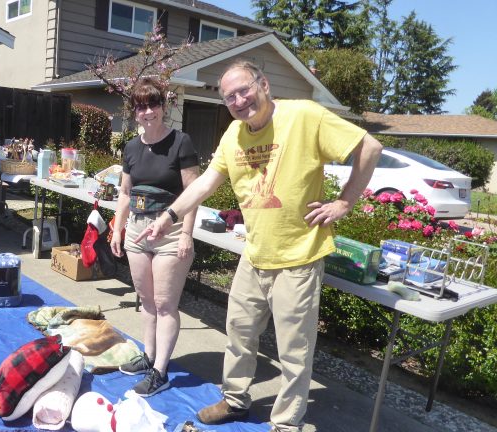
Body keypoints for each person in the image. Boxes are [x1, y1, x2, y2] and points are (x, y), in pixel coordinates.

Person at [135, 60, 382, 431]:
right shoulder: (234, 135)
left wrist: (345, 201)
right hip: (255, 254)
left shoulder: (304, 116)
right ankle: (235, 400)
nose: (239, 100)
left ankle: (285, 423)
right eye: (229, 96)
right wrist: (168, 218)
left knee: (294, 352)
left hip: (299, 257)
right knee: (238, 333)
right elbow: (203, 185)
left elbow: (370, 147)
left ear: (263, 84)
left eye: (244, 90)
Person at [110, 77, 200, 397]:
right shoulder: (132, 147)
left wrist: (187, 234)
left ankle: (160, 370)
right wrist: (118, 229)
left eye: (153, 104)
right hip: (136, 230)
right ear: (135, 112)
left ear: (163, 107)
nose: (148, 111)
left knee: (164, 304)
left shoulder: (180, 142)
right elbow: (124, 193)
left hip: (171, 232)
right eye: (141, 106)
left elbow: (193, 193)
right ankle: (148, 357)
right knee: (146, 301)